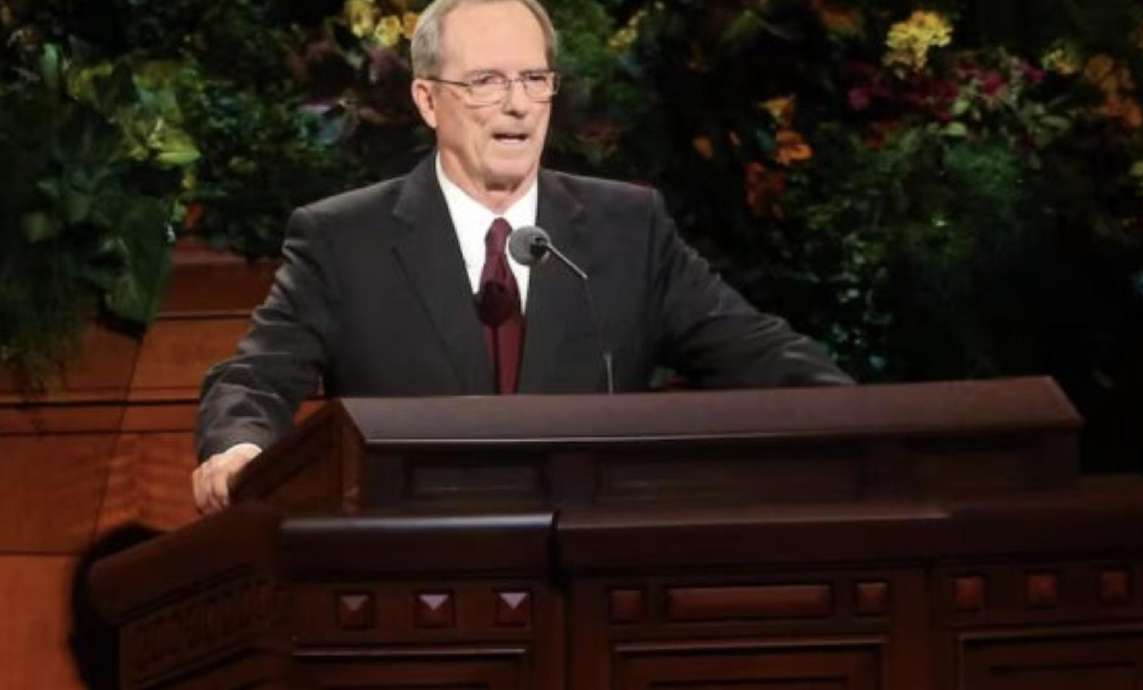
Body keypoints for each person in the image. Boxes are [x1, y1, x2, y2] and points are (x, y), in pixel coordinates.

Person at [192, 0, 853, 513]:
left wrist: (863, 425)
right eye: (486, 81)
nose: (517, 105)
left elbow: (758, 352)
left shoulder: (628, 229)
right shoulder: (343, 240)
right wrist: (239, 447)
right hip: (413, 577)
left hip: (596, 577)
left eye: (534, 79)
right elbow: (254, 378)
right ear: (428, 100)